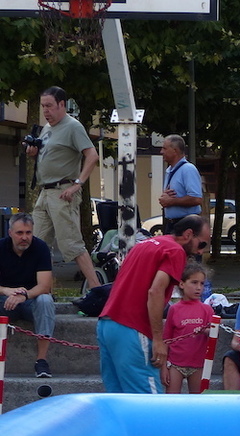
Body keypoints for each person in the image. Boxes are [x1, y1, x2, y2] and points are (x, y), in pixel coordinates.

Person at [97, 214, 210, 393]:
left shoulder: (146, 244)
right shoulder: (175, 251)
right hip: (133, 328)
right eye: (201, 244)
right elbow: (155, 291)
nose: (200, 252)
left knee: (118, 397)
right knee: (148, 400)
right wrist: (158, 340)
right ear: (188, 234)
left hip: (107, 324)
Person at [26, 86, 101, 289]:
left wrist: (78, 184)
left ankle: (96, 289)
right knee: (37, 244)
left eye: (49, 106)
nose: (46, 111)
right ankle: (44, 291)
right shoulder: (48, 128)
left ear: (62, 104)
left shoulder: (73, 126)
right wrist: (34, 155)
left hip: (62, 192)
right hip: (45, 192)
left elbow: (92, 155)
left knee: (71, 244)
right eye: (43, 106)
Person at [0, 213, 56, 378]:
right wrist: (6, 291)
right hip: (4, 301)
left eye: (28, 233)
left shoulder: (41, 248)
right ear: (10, 232)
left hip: (31, 302)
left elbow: (45, 286)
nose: (24, 237)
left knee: (45, 300)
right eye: (19, 233)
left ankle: (41, 361)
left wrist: (24, 295)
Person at [162, 262, 214, 393]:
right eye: (194, 282)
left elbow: (215, 333)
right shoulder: (174, 309)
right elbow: (166, 339)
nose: (198, 287)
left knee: (197, 400)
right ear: (181, 284)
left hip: (198, 364)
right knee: (171, 399)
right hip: (175, 364)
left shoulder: (207, 310)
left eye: (202, 283)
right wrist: (163, 368)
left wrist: (205, 331)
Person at [157, 134, 203, 233]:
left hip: (186, 224)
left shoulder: (188, 169)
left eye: (164, 148)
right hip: (172, 224)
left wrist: (171, 201)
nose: (161, 152)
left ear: (175, 151)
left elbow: (196, 199)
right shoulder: (170, 170)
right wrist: (164, 199)